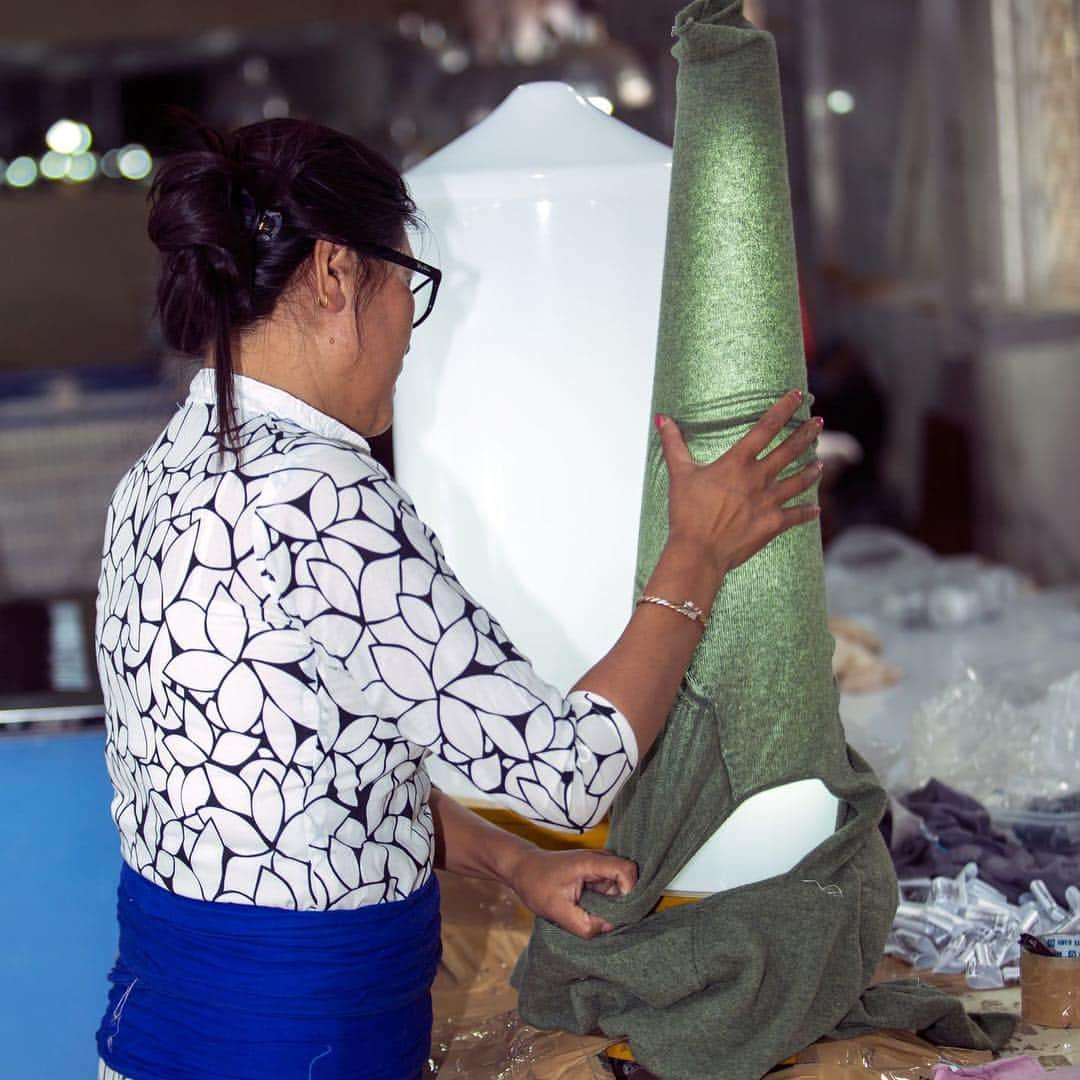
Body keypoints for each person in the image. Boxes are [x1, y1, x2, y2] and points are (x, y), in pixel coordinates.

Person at [94, 118, 823, 1080]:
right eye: (409, 285)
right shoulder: (325, 497)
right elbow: (569, 775)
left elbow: (318, 772)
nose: (408, 331)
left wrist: (514, 865)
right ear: (334, 274)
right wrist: (696, 552)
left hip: (159, 1033)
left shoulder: (162, 476)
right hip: (295, 1045)